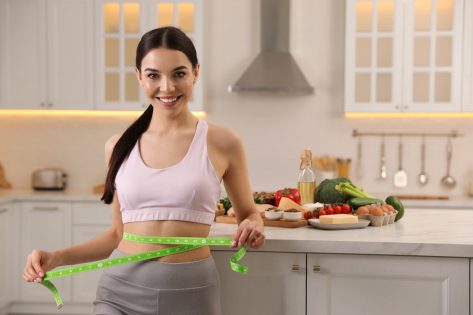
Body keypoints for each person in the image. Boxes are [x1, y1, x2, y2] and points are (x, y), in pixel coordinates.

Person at [22, 26, 265, 315]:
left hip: (192, 293)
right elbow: (117, 234)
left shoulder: (223, 142)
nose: (167, 87)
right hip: (119, 293)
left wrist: (254, 224)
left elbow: (249, 212)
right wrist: (55, 257)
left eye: (179, 73)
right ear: (138, 76)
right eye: (153, 75)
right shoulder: (118, 146)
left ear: (196, 72)